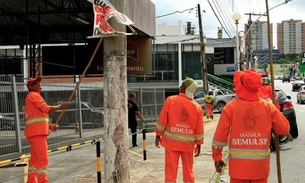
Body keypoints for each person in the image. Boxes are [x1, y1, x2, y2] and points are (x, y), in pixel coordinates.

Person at [211, 69, 290, 183]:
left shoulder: (231, 108)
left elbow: (219, 138)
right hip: (260, 170)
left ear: (241, 84)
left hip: (238, 170)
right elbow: (284, 129)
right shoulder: (268, 107)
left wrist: (217, 157)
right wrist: (275, 109)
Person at [154, 77, 204, 183]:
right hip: (188, 145)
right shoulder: (197, 107)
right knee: (188, 171)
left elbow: (162, 121)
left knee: (170, 171)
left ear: (182, 87)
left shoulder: (170, 100)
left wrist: (158, 135)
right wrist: (198, 144)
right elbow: (199, 129)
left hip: (171, 144)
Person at [24, 77, 69, 183]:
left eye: (39, 83)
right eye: (36, 84)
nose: (39, 85)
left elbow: (38, 117)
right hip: (37, 133)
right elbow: (46, 109)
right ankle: (43, 181)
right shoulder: (34, 95)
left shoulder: (32, 96)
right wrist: (60, 106)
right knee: (43, 158)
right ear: (30, 87)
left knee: (35, 159)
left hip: (34, 132)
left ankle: (31, 181)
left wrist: (50, 126)